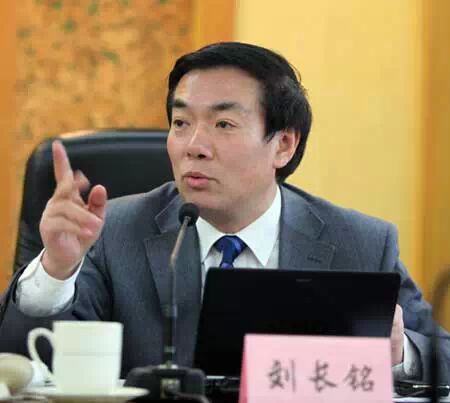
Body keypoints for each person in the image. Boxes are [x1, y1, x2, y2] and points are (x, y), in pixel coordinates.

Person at [0, 42, 448, 383]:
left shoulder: (359, 242)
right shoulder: (113, 232)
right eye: (181, 123)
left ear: (283, 144)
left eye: (223, 124)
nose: (194, 146)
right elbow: (25, 366)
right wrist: (56, 270)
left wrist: (398, 353)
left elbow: (441, 356)